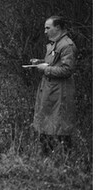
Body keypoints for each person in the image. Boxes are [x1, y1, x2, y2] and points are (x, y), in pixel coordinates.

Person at [27, 15, 77, 155]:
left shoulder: (67, 45)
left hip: (60, 93)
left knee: (60, 126)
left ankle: (65, 159)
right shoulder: (54, 44)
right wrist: (40, 62)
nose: (45, 31)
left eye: (48, 28)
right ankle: (46, 158)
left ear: (58, 28)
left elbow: (68, 70)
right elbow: (55, 63)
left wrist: (45, 69)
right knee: (46, 125)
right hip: (50, 92)